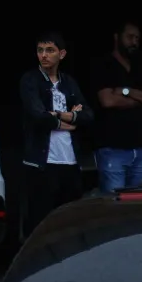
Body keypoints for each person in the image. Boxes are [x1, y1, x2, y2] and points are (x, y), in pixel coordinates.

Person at [20, 31, 93, 236]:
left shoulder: (68, 82)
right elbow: (38, 116)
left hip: (70, 162)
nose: (43, 55)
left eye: (49, 50)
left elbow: (88, 115)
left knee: (70, 222)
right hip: (42, 163)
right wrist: (71, 118)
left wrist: (59, 115)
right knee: (40, 224)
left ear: (61, 54)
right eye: (40, 50)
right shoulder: (30, 80)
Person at [89, 20, 142, 193]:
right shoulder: (104, 65)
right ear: (117, 37)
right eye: (130, 37)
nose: (134, 42)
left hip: (140, 148)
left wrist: (127, 92)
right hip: (112, 148)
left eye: (137, 38)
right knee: (114, 204)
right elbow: (108, 101)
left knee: (137, 204)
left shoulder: (141, 66)